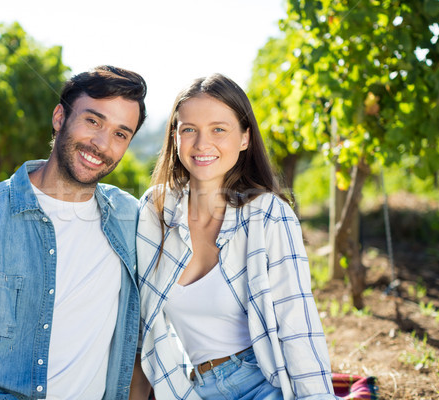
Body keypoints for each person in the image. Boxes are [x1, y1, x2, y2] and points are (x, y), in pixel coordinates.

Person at [0, 65, 147, 400]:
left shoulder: (131, 219)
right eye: (93, 121)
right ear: (60, 117)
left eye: (121, 134)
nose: (102, 144)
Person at [130, 74, 337, 400]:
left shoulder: (267, 214)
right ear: (175, 138)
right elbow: (142, 331)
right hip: (191, 389)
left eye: (218, 129)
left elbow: (297, 325)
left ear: (244, 138)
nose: (201, 144)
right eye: (189, 130)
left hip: (262, 384)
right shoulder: (155, 211)